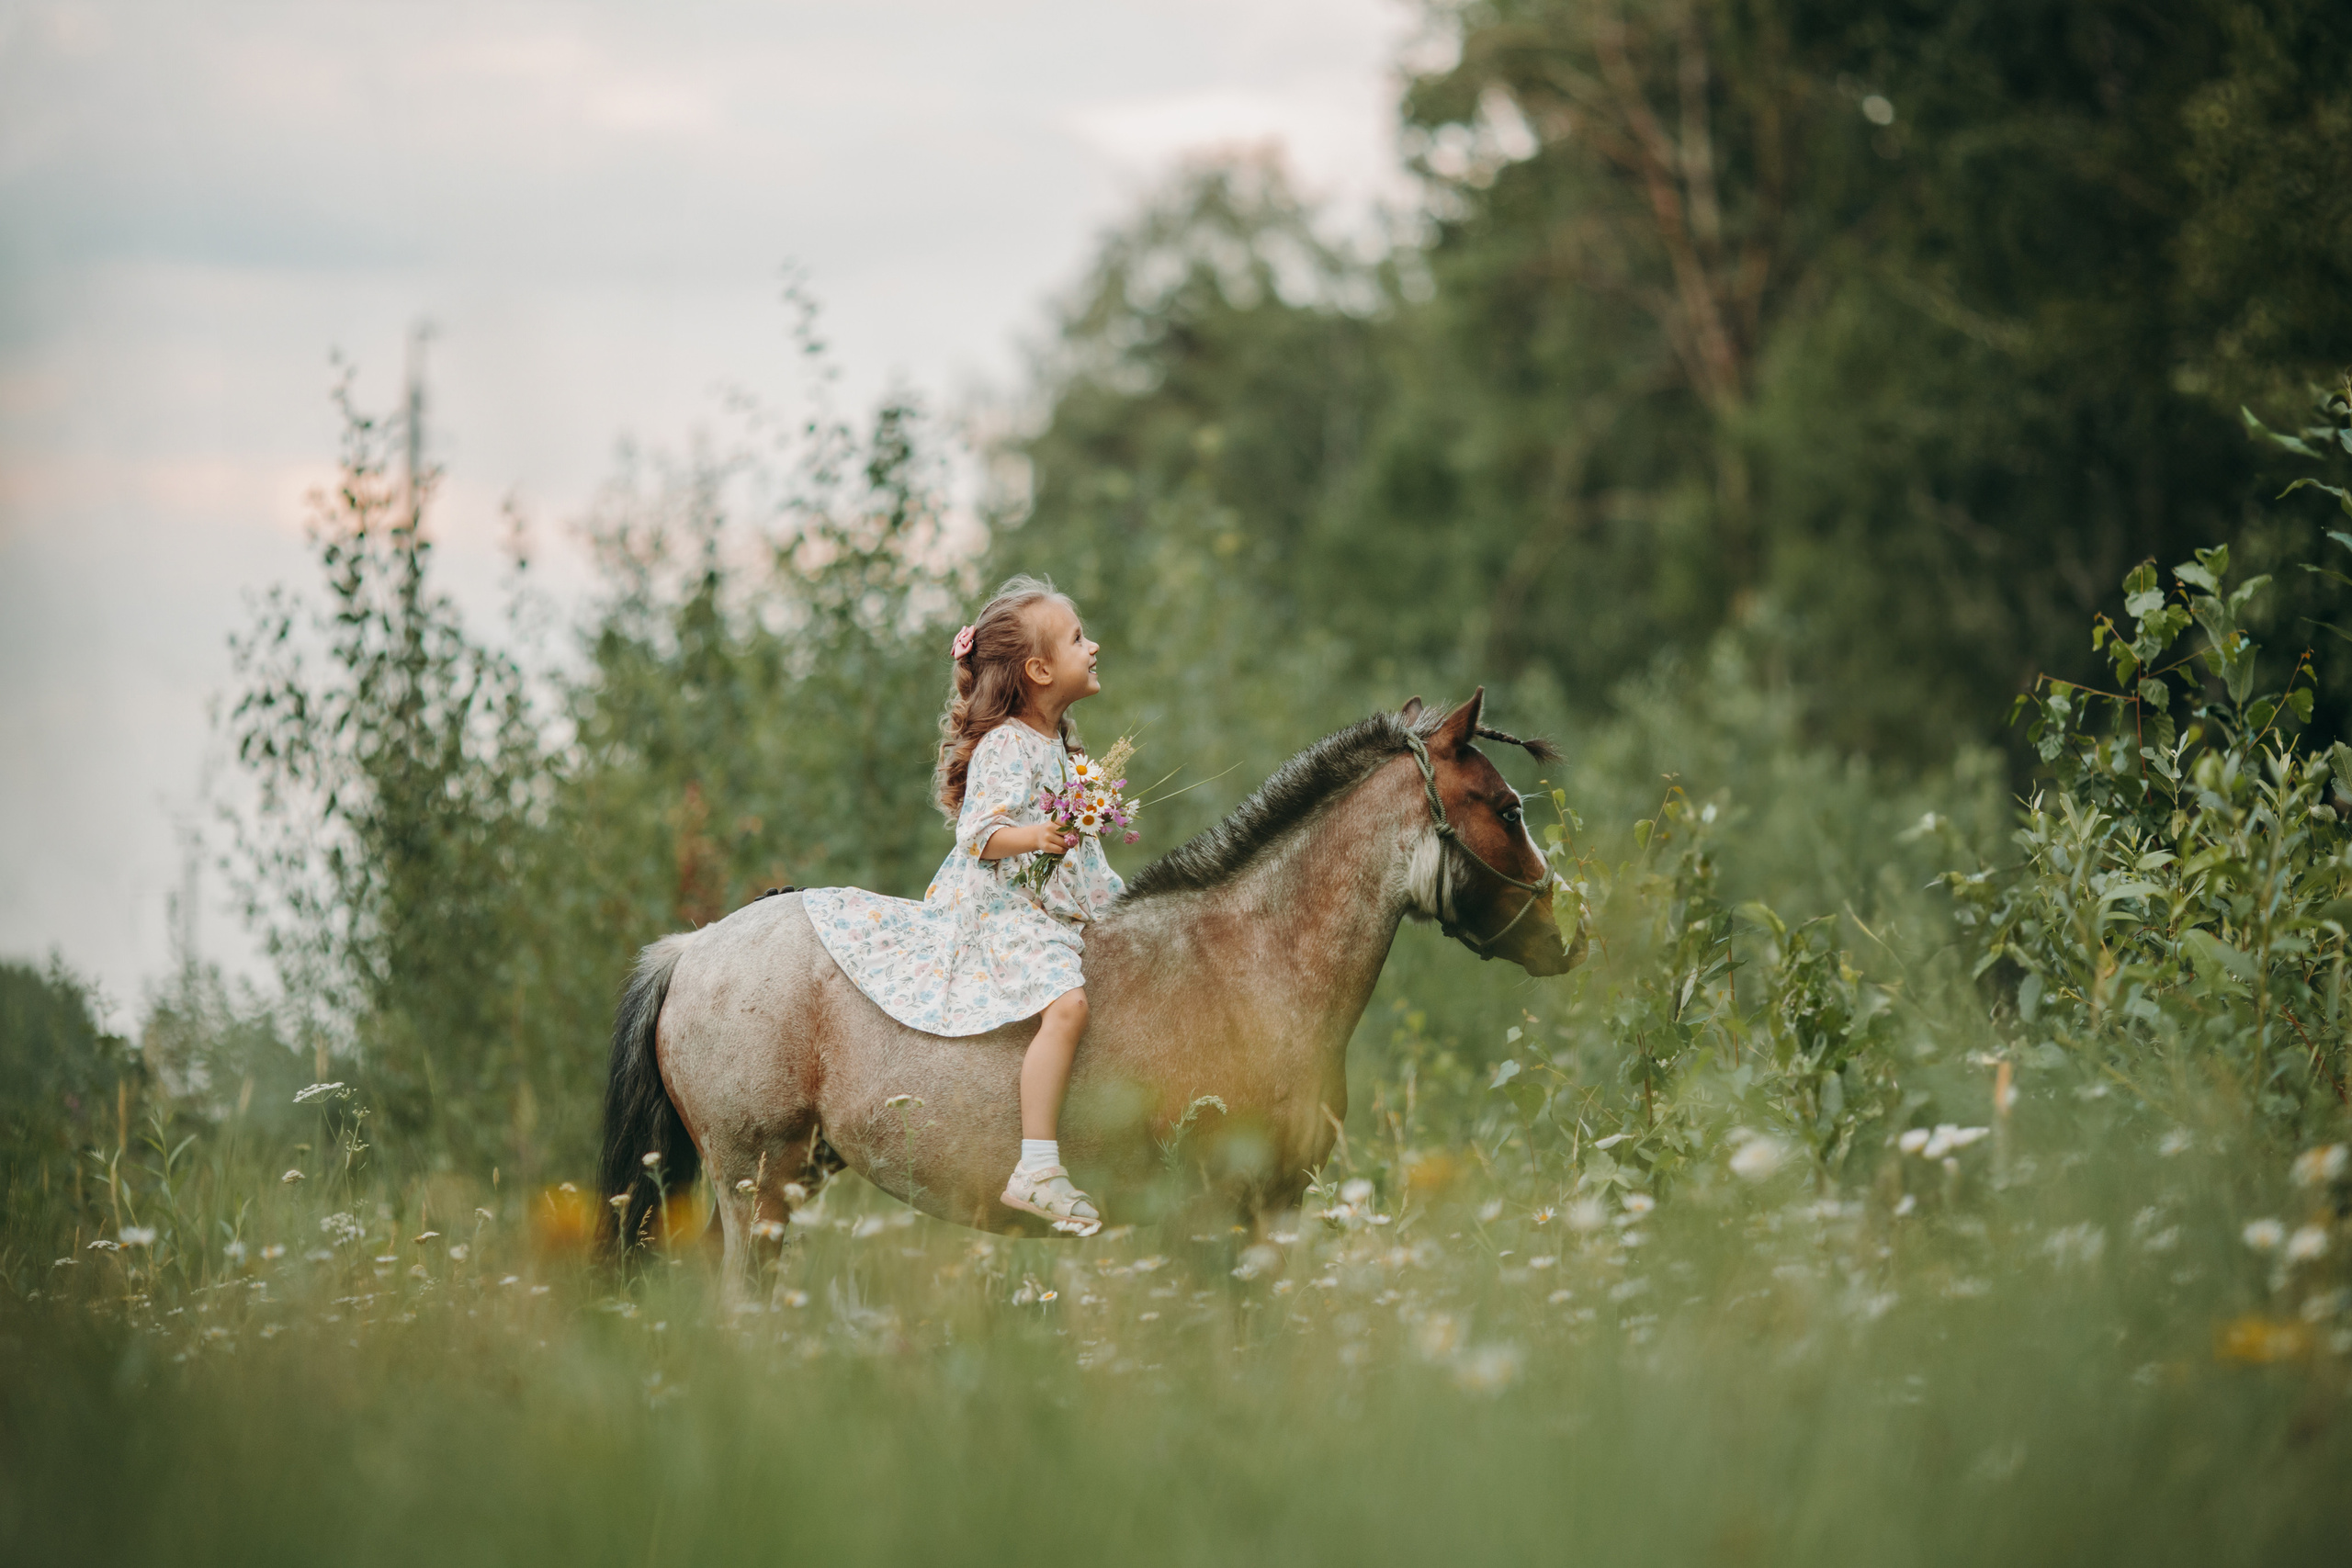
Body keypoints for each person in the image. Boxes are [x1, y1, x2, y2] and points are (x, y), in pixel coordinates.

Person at [800, 575, 1123, 1235]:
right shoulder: (1007, 743)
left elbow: (1081, 857)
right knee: (1068, 1004)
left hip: (1050, 898)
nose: (1094, 646)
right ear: (1038, 669)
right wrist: (1037, 834)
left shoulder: (1060, 746)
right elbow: (979, 833)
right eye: (1077, 638)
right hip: (1002, 908)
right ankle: (1036, 1167)